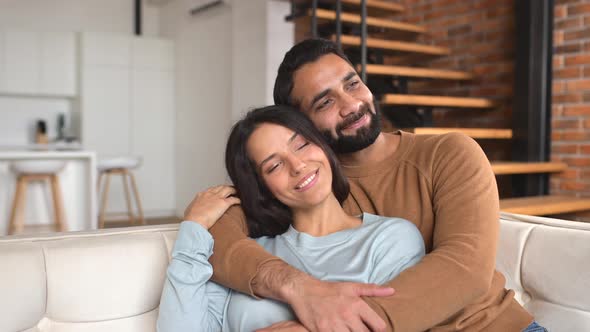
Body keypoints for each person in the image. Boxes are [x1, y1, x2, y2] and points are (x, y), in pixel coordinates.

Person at [205, 38, 545, 331]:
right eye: (325, 102)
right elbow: (216, 230)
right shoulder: (309, 185)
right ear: (299, 124)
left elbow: (464, 269)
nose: (351, 104)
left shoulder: (450, 153)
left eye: (352, 84)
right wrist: (297, 287)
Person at [157, 105, 425, 331]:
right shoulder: (245, 258)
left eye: (302, 145)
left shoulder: (391, 239)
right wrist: (193, 228)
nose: (297, 166)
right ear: (261, 186)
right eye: (274, 166)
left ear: (323, 147)